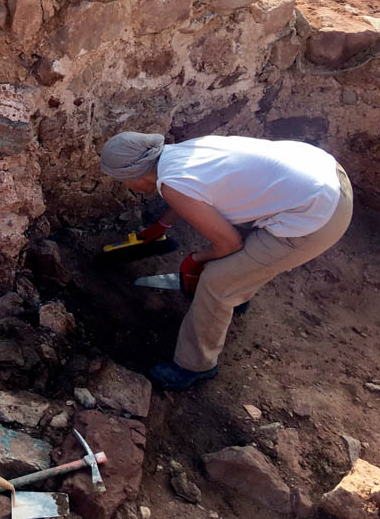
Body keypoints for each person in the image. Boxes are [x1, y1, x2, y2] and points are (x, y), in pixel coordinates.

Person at [100, 132, 353, 391]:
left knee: (216, 281)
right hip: (325, 172)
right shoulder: (176, 154)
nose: (125, 187)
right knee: (243, 258)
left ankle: (194, 365)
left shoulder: (170, 184)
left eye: (123, 182)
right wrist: (161, 226)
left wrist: (194, 260)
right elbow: (188, 191)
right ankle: (239, 293)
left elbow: (230, 244)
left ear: (137, 176)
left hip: (317, 217)